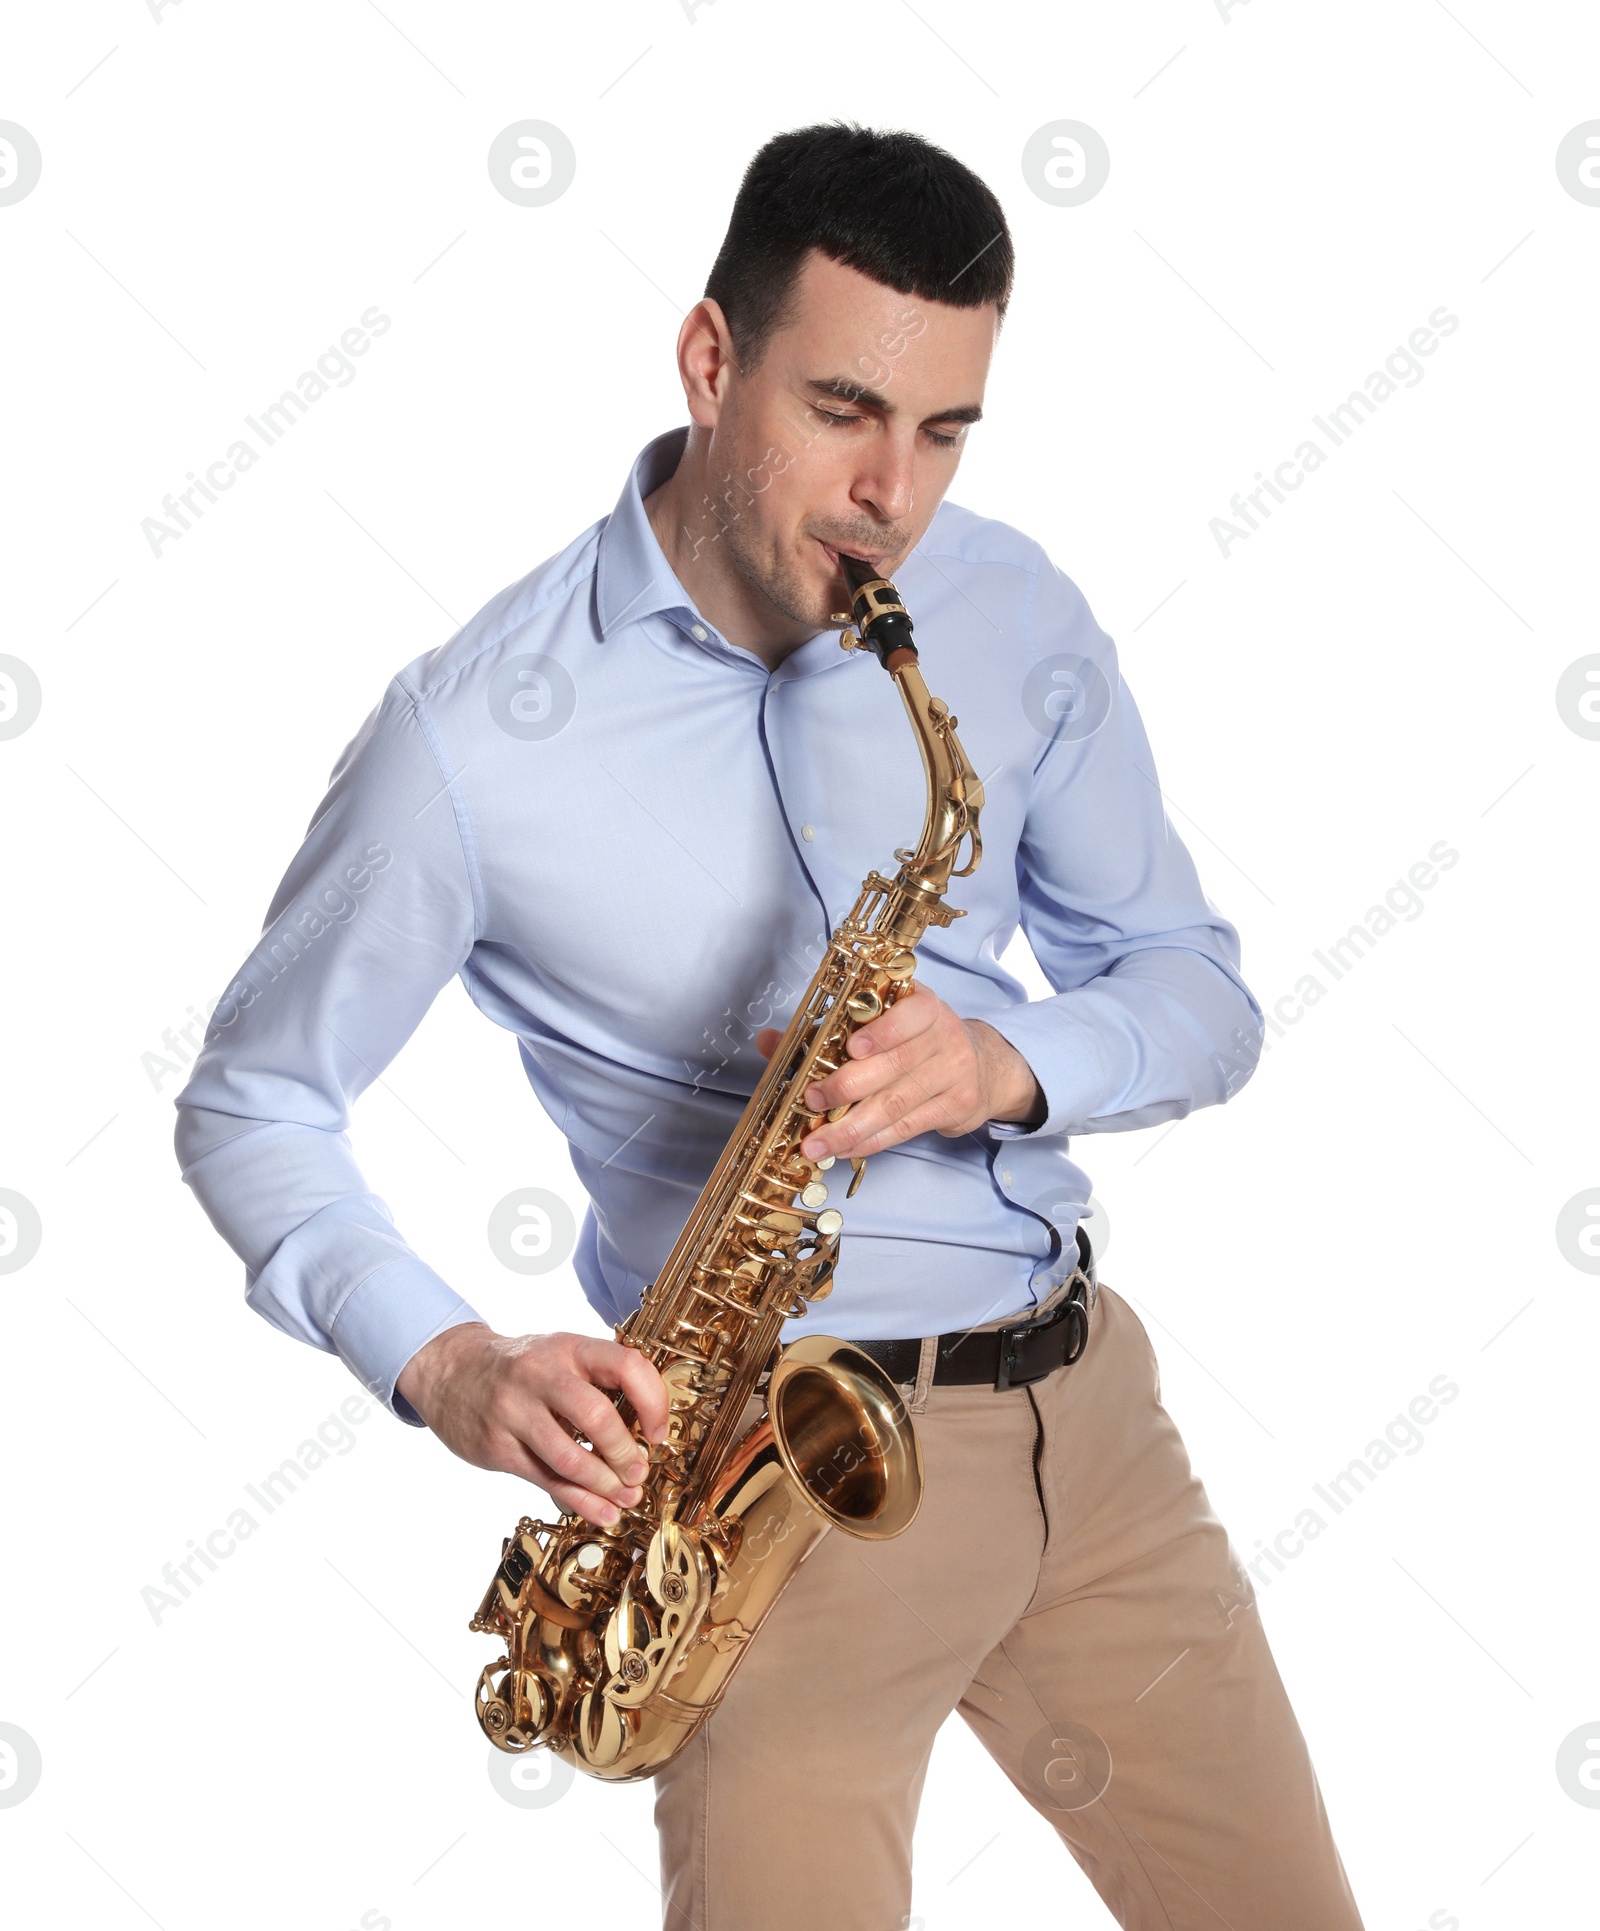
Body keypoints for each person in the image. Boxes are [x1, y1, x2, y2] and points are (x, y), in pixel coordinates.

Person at [175, 122, 1365, 1931]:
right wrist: (451, 1364)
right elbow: (254, 1103)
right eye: (843, 412)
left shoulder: (1010, 607)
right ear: (710, 361)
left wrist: (1017, 1061)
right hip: (760, 1505)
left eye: (947, 431)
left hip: (1089, 1435)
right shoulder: (470, 742)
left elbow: (1197, 986)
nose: (895, 492)